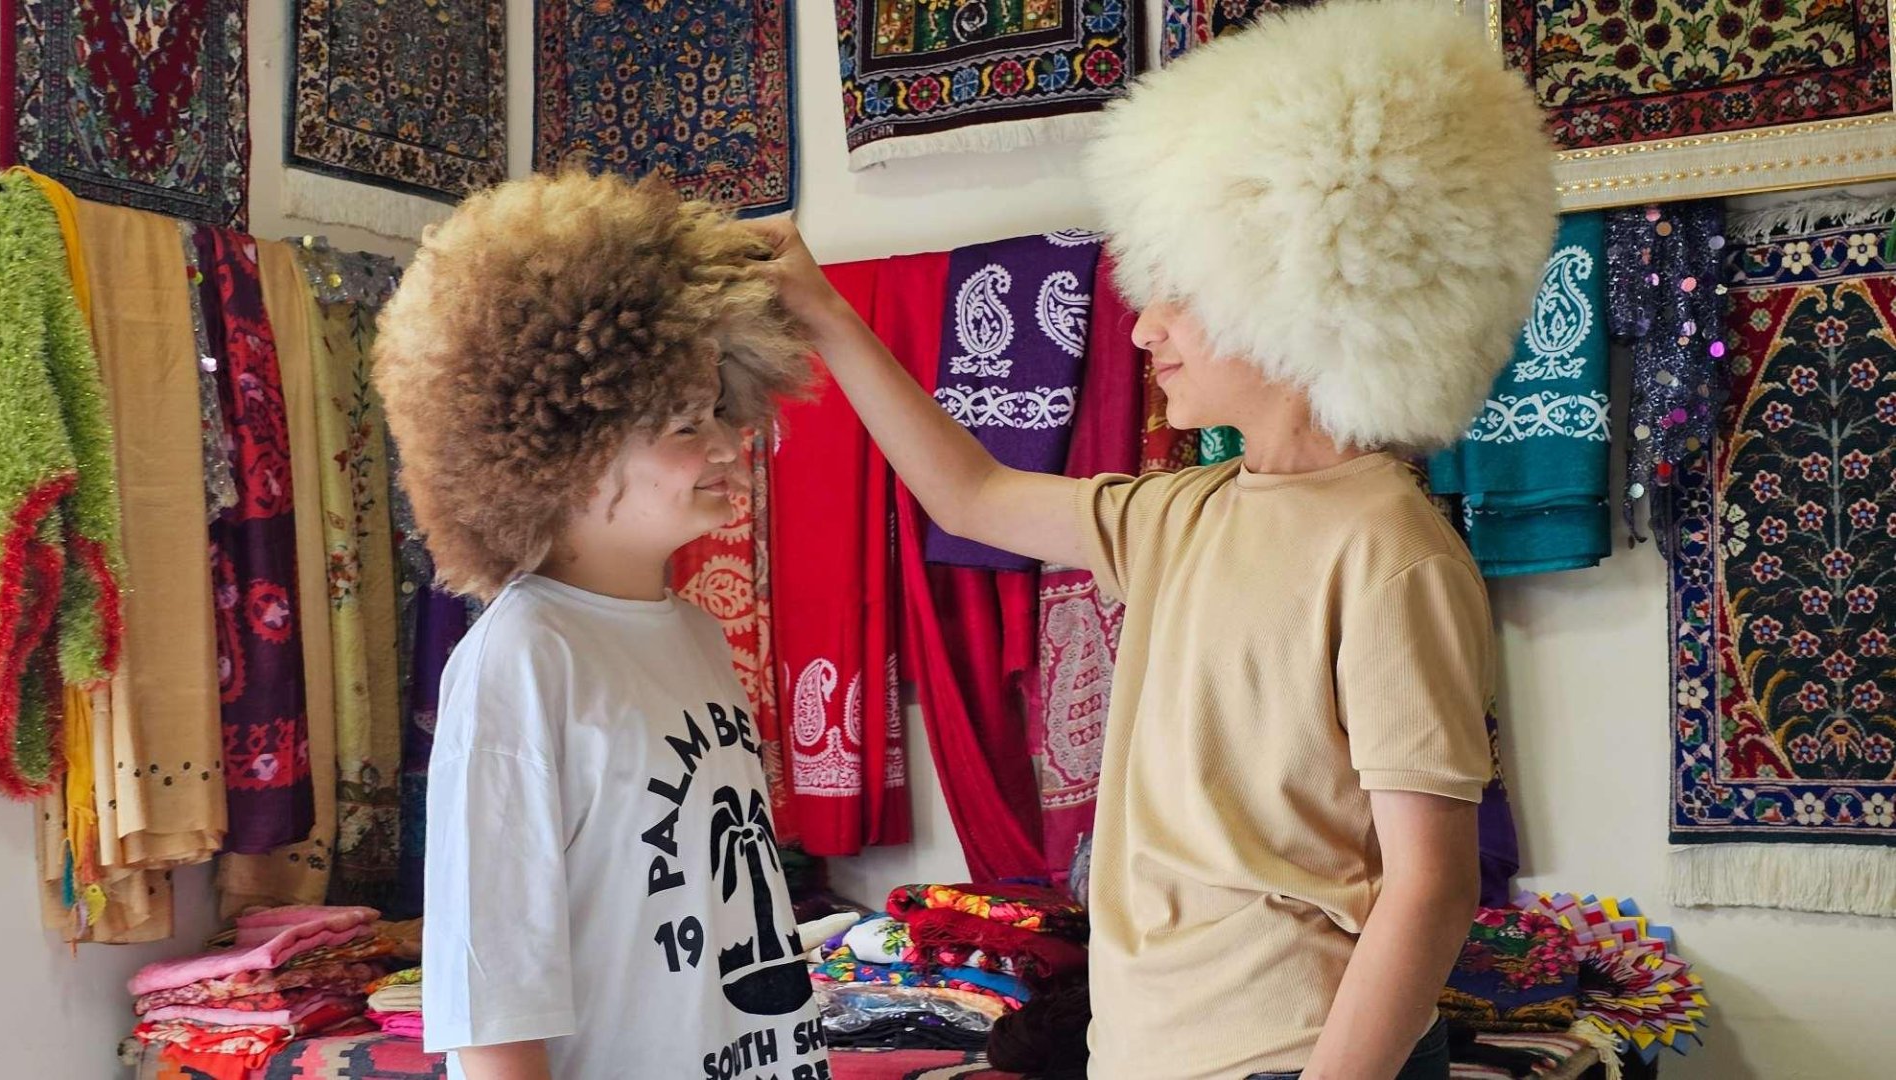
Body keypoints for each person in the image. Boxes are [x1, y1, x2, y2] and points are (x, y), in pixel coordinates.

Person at [752, 2, 1557, 1078]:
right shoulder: (1179, 513)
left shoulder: (1388, 550)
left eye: (1178, 293)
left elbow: (1432, 885)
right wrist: (827, 316)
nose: (1141, 327)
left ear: (1296, 291)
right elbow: (973, 496)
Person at [376, 172, 829, 1080]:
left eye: (720, 412)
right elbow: (491, 1005)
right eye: (683, 425)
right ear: (565, 452)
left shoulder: (695, 636)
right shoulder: (521, 660)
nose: (727, 445)